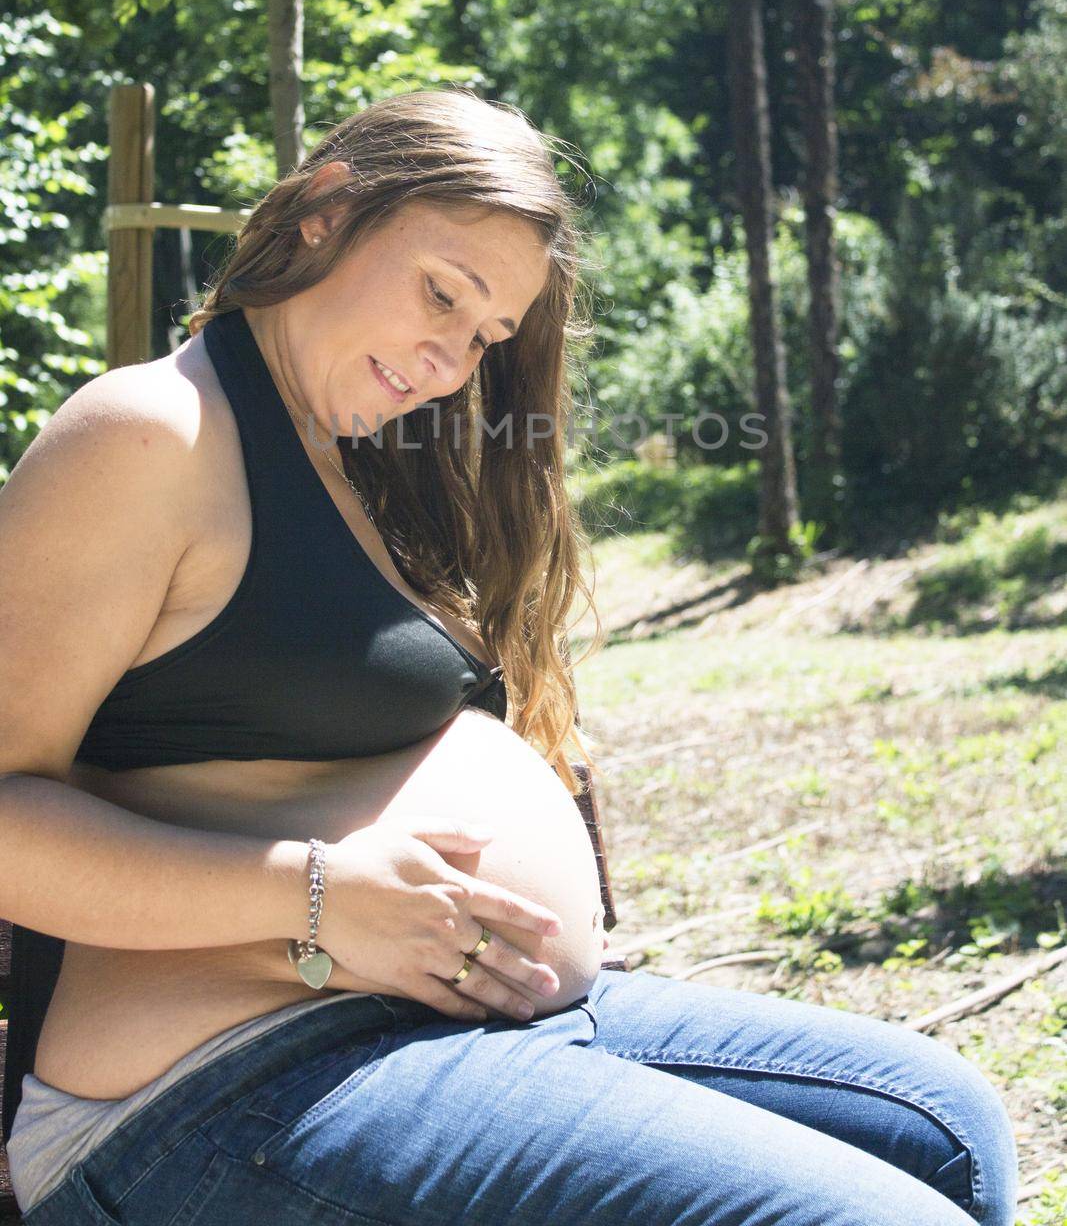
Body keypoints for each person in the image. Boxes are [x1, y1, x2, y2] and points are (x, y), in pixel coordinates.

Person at [0, 89, 1017, 1224]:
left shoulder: (356, 463)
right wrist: (316, 895)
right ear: (328, 209)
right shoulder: (150, 435)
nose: (448, 359)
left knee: (941, 1125)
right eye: (442, 292)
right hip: (209, 1090)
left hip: (429, 1024)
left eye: (484, 336)